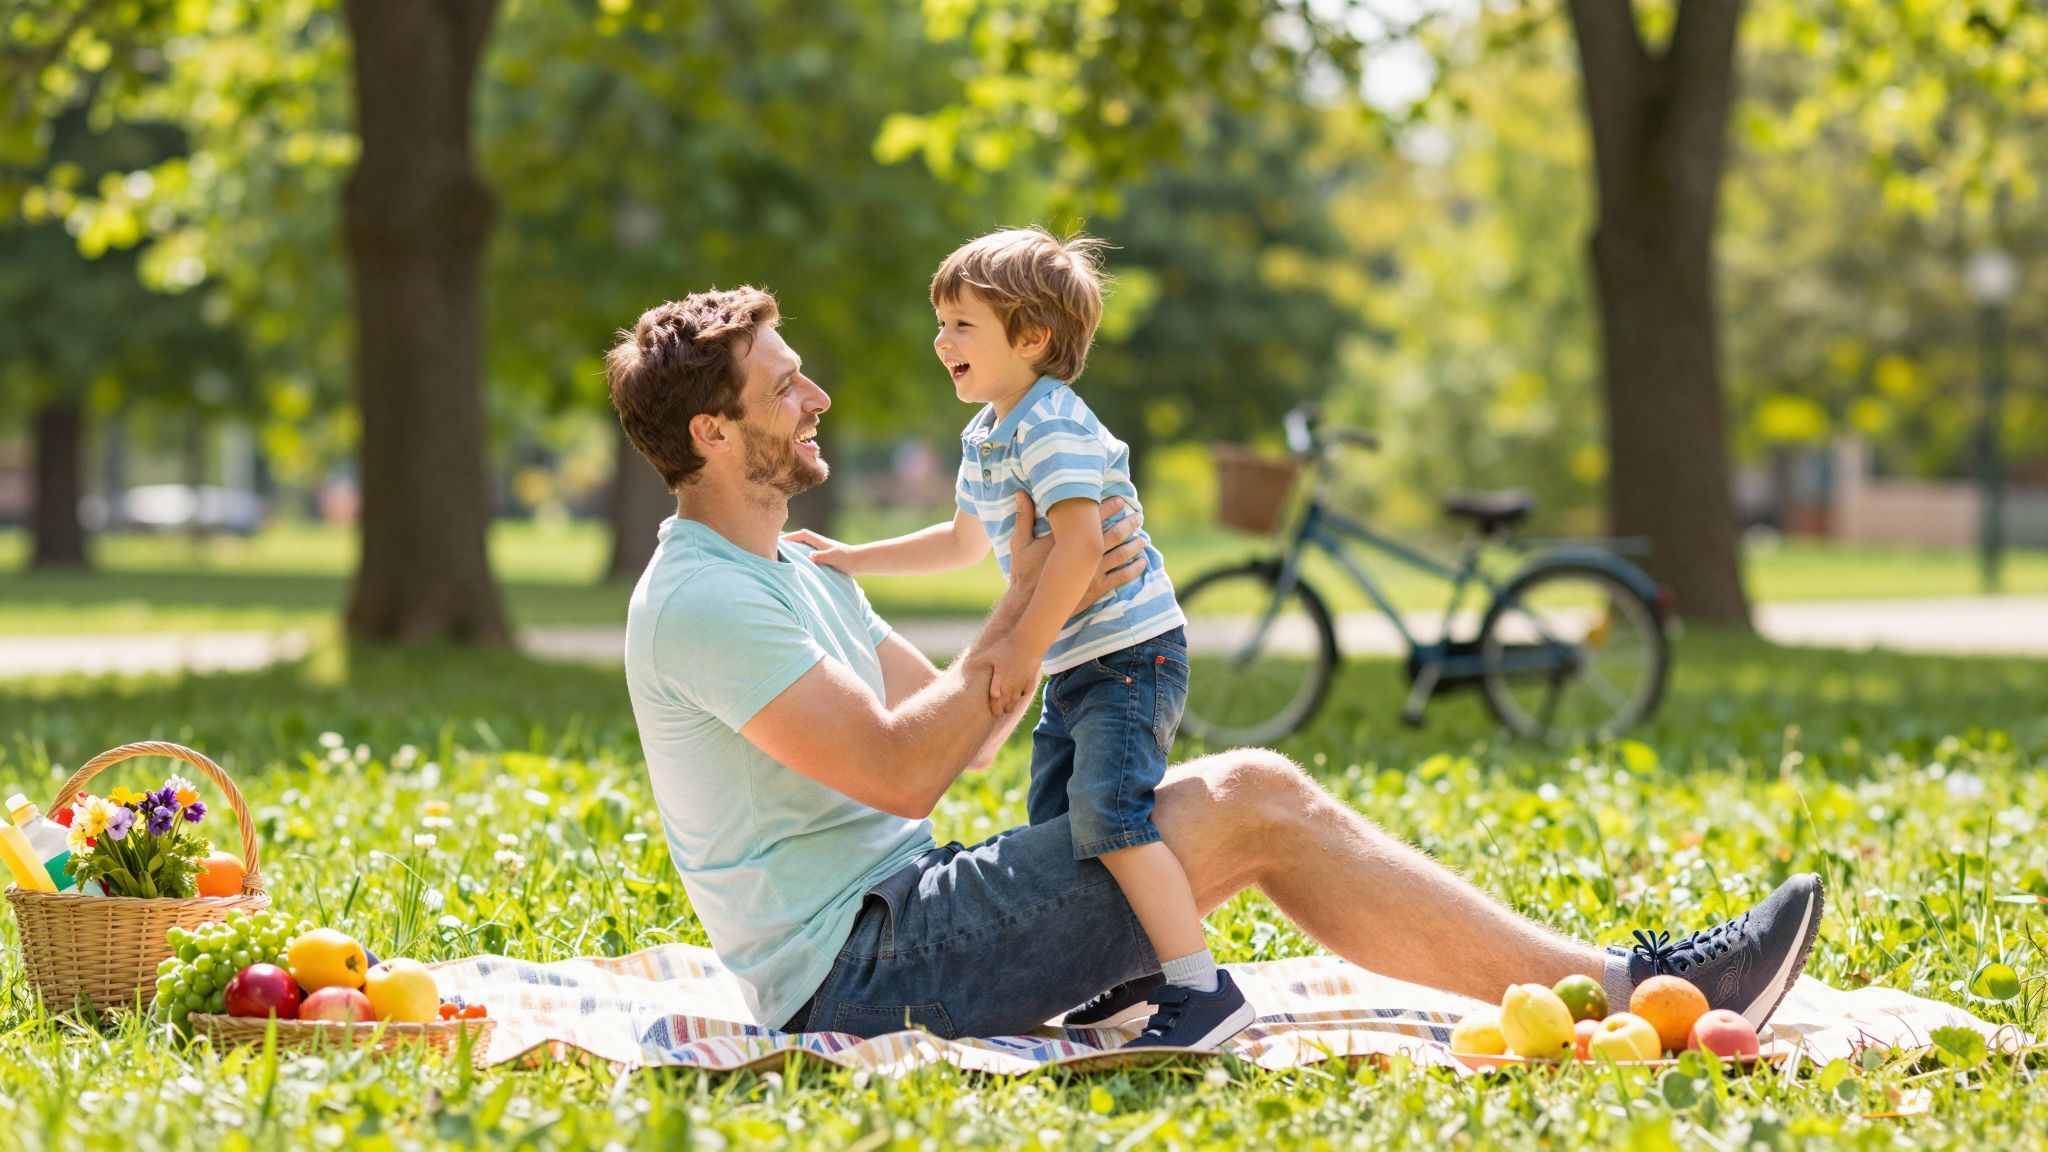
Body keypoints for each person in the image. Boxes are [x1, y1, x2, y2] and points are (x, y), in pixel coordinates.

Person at [605, 285, 1823, 1047]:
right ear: (715, 434)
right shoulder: (701, 598)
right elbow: (900, 770)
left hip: (917, 909)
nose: (815, 396)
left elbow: (963, 725)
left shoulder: (805, 570)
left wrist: (1053, 597)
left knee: (1248, 803)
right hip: (860, 971)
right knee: (1250, 799)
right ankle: (1629, 988)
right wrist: (1036, 593)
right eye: (782, 386)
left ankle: (1615, 980)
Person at [784, 228, 1237, 1047]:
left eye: (963, 324)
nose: (941, 339)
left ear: (1032, 338)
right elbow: (963, 540)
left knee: (1110, 816)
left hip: (1129, 659)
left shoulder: (1053, 423)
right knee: (1057, 832)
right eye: (941, 321)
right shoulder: (989, 433)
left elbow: (1081, 544)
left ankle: (1201, 987)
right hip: (1080, 664)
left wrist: (1023, 648)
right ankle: (1130, 975)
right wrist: (857, 556)